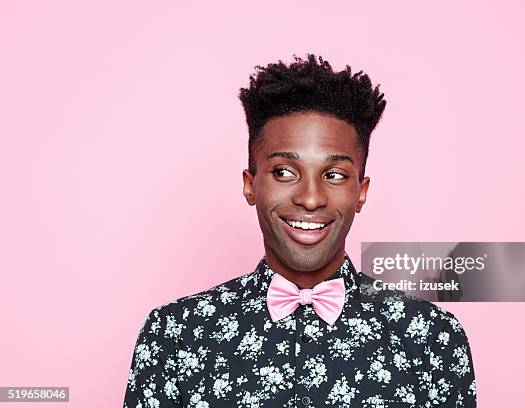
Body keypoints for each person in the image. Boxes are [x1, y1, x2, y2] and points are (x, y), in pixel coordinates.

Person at [122, 54, 477, 408]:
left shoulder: (433, 338)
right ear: (250, 185)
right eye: (284, 172)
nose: (310, 199)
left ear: (361, 192)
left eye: (334, 175)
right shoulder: (175, 335)